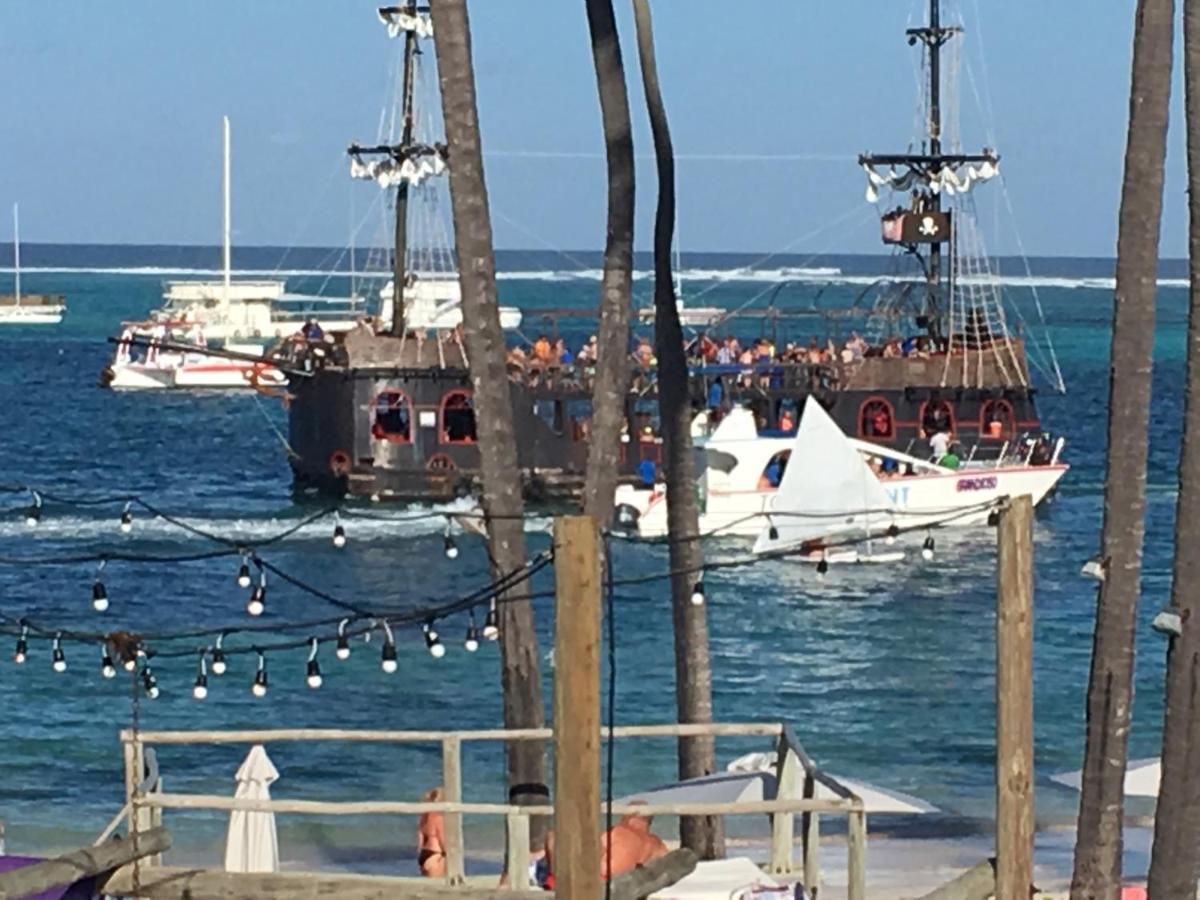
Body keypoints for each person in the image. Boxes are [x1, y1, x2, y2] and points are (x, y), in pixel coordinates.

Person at [600, 806, 669, 880]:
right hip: (630, 881)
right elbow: (665, 861)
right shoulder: (655, 843)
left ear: (626, 816)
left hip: (605, 878)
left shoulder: (616, 833)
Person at [417, 786, 447, 878]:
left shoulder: (424, 816)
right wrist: (447, 852)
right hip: (436, 854)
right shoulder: (438, 818)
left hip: (424, 853)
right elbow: (441, 837)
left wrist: (419, 853)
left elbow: (420, 836)